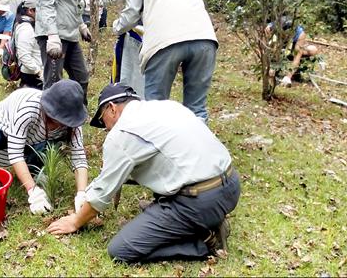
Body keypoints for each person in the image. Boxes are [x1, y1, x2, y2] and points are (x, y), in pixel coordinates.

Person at [47, 83, 240, 263]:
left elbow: (102, 193)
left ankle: (205, 242)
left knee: (120, 250)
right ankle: (194, 217)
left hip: (199, 202)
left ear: (112, 108)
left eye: (102, 119)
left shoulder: (122, 132)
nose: (105, 128)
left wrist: (76, 221)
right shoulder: (166, 107)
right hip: (230, 185)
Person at [112, 0, 218, 122]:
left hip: (165, 43)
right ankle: (196, 147)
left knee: (155, 107)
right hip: (204, 40)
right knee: (197, 108)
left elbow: (130, 16)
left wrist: (116, 27)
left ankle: (155, 148)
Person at [0, 79, 89, 215]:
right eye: (54, 120)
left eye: (64, 122)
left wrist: (82, 193)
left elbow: (79, 156)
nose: (59, 126)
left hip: (33, 144)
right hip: (2, 136)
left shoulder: (73, 120)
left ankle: (32, 170)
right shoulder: (28, 108)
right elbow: (15, 153)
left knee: (53, 146)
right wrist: (32, 191)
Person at [265, 17, 320, 87]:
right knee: (271, 70)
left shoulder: (300, 33)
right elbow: (266, 47)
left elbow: (297, 56)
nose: (287, 35)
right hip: (279, 47)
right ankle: (275, 68)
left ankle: (296, 73)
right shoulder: (271, 28)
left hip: (292, 48)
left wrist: (288, 77)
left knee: (313, 50)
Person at [14, 0, 43, 89]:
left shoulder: (29, 24)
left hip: (34, 72)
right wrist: (38, 72)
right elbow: (24, 55)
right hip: (32, 75)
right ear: (30, 11)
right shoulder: (26, 28)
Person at [111, 24, 145, 96]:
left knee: (128, 79)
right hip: (156, 40)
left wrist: (117, 25)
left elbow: (128, 19)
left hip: (135, 38)